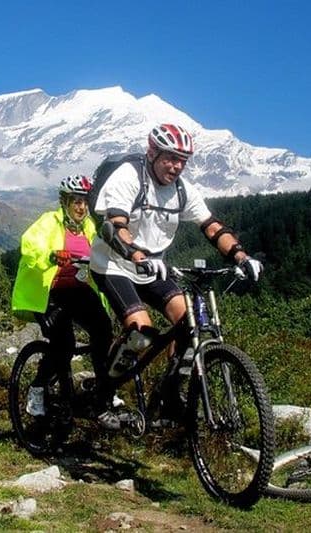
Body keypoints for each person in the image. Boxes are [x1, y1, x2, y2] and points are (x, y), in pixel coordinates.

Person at [90, 123, 263, 418]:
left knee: (190, 322)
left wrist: (241, 257)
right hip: (113, 265)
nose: (176, 166)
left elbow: (211, 225)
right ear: (152, 153)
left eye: (182, 160)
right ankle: (103, 391)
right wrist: (137, 254)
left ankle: (170, 394)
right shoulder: (130, 176)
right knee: (141, 332)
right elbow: (114, 226)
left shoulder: (182, 190)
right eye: (170, 157)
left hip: (152, 268)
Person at [11, 175, 121, 429]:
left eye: (85, 202)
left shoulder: (90, 227)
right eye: (76, 201)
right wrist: (50, 255)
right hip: (49, 291)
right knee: (64, 343)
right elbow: (30, 245)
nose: (81, 207)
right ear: (65, 201)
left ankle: (103, 393)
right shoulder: (49, 222)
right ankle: (37, 388)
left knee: (103, 331)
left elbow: (103, 254)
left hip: (78, 291)